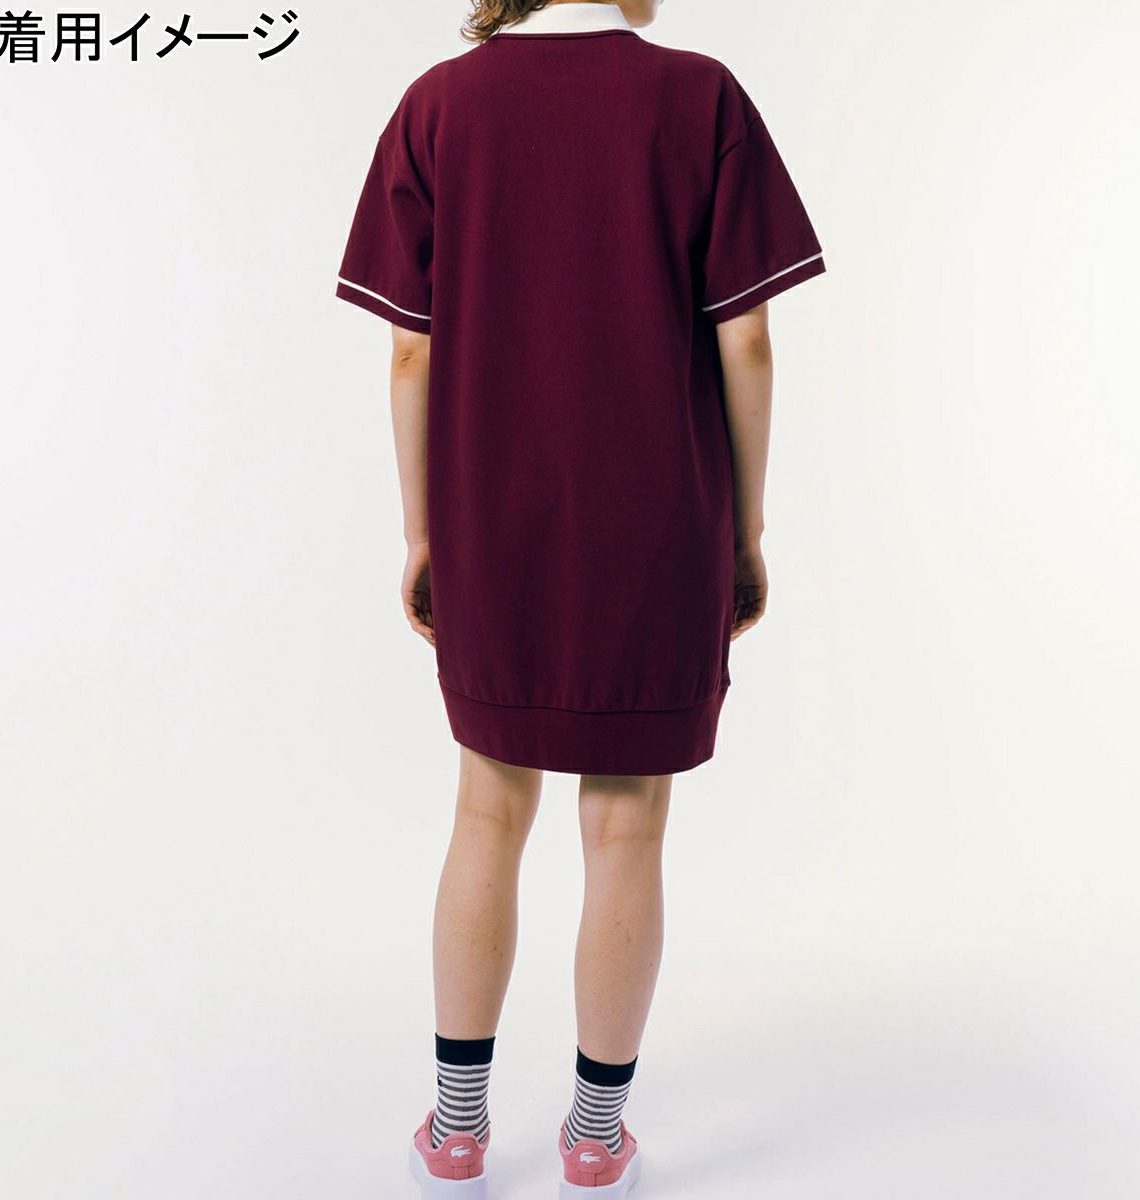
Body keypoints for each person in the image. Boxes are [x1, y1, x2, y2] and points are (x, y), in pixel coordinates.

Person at [334, 1, 826, 1194]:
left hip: (490, 518)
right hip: (658, 521)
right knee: (626, 827)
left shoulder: (440, 106)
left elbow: (410, 348)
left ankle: (457, 1134)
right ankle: (597, 1142)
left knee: (486, 811)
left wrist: (423, 531)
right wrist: (746, 526)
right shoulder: (699, 96)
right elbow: (747, 340)